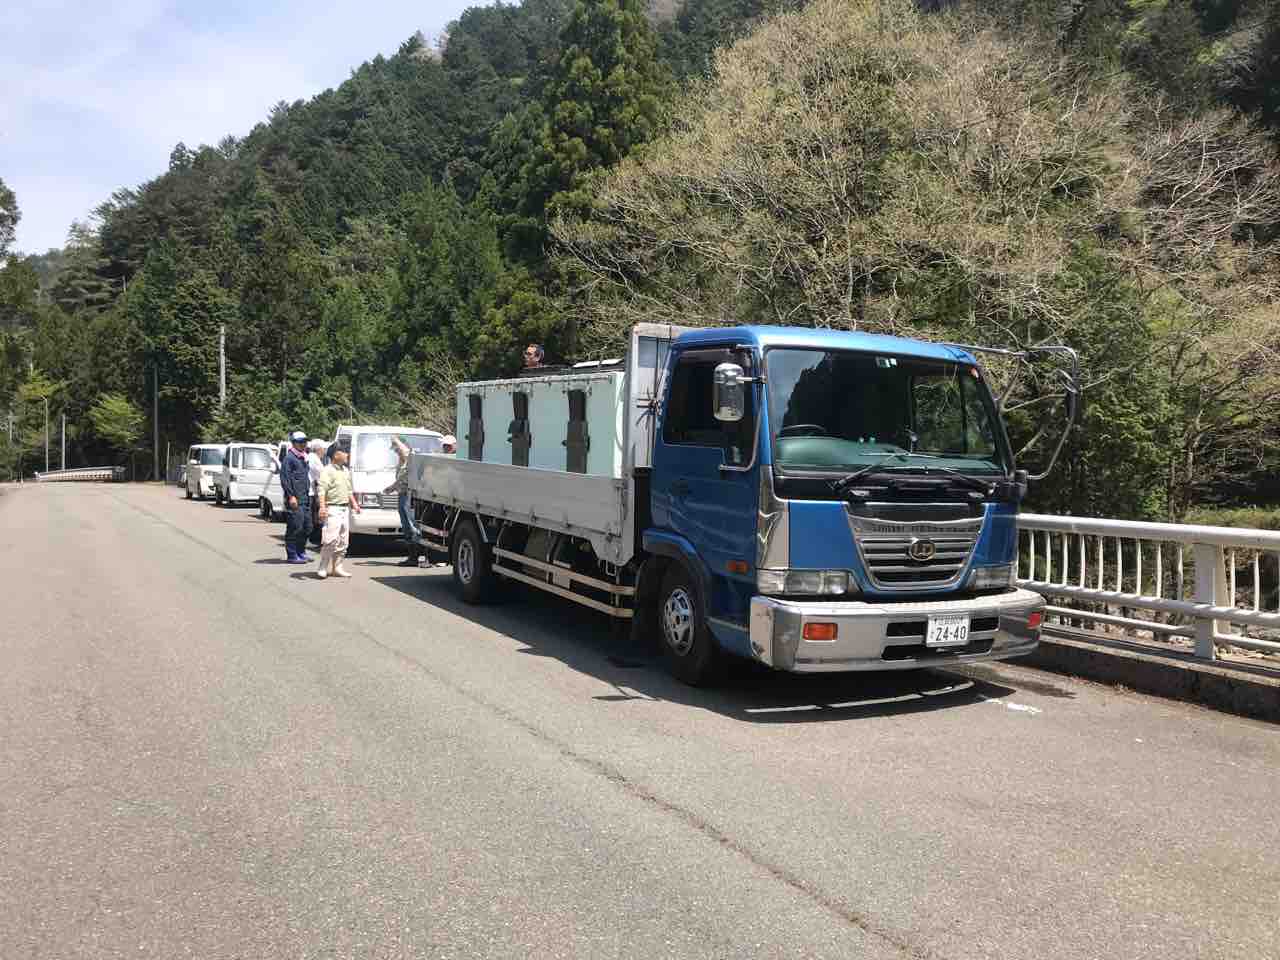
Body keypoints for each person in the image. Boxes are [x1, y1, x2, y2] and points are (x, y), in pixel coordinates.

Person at [316, 442, 361, 579]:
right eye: (344, 452)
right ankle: (323, 566)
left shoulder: (345, 471)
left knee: (343, 540)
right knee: (330, 539)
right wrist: (322, 507)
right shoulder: (327, 470)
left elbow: (349, 490)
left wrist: (354, 504)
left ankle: (337, 567)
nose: (347, 454)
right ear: (336, 455)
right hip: (332, 508)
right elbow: (322, 489)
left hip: (344, 509)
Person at [386, 436, 421, 567]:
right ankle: (412, 557)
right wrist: (392, 488)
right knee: (406, 526)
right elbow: (400, 479)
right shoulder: (401, 461)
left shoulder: (410, 457)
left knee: (412, 526)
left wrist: (395, 439)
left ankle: (415, 557)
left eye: (397, 449)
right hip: (402, 495)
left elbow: (406, 454)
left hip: (409, 496)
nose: (396, 452)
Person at [280, 431, 313, 564]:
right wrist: (291, 496)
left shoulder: (303, 457)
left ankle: (301, 551)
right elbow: (285, 479)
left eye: (305, 441)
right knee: (295, 527)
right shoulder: (289, 458)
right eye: (300, 442)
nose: (303, 444)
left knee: (307, 527)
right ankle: (292, 554)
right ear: (294, 443)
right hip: (295, 499)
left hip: (305, 498)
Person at [306, 439, 327, 548]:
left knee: (312, 516)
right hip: (310, 491)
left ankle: (312, 538)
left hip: (311, 490)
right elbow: (322, 475)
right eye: (324, 449)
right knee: (311, 517)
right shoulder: (314, 459)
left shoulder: (311, 457)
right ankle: (309, 539)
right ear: (318, 449)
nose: (324, 452)